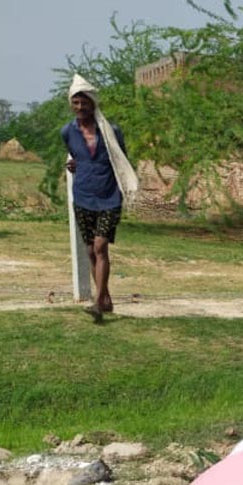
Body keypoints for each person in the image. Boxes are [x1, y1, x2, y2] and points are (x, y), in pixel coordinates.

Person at [61, 74, 138, 320]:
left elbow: (121, 159)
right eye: (76, 103)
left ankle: (97, 301)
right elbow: (76, 156)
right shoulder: (67, 132)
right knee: (90, 251)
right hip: (83, 195)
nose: (80, 107)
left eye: (84, 102)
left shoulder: (110, 131)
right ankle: (105, 299)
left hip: (109, 197)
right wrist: (74, 165)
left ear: (93, 103)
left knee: (101, 246)